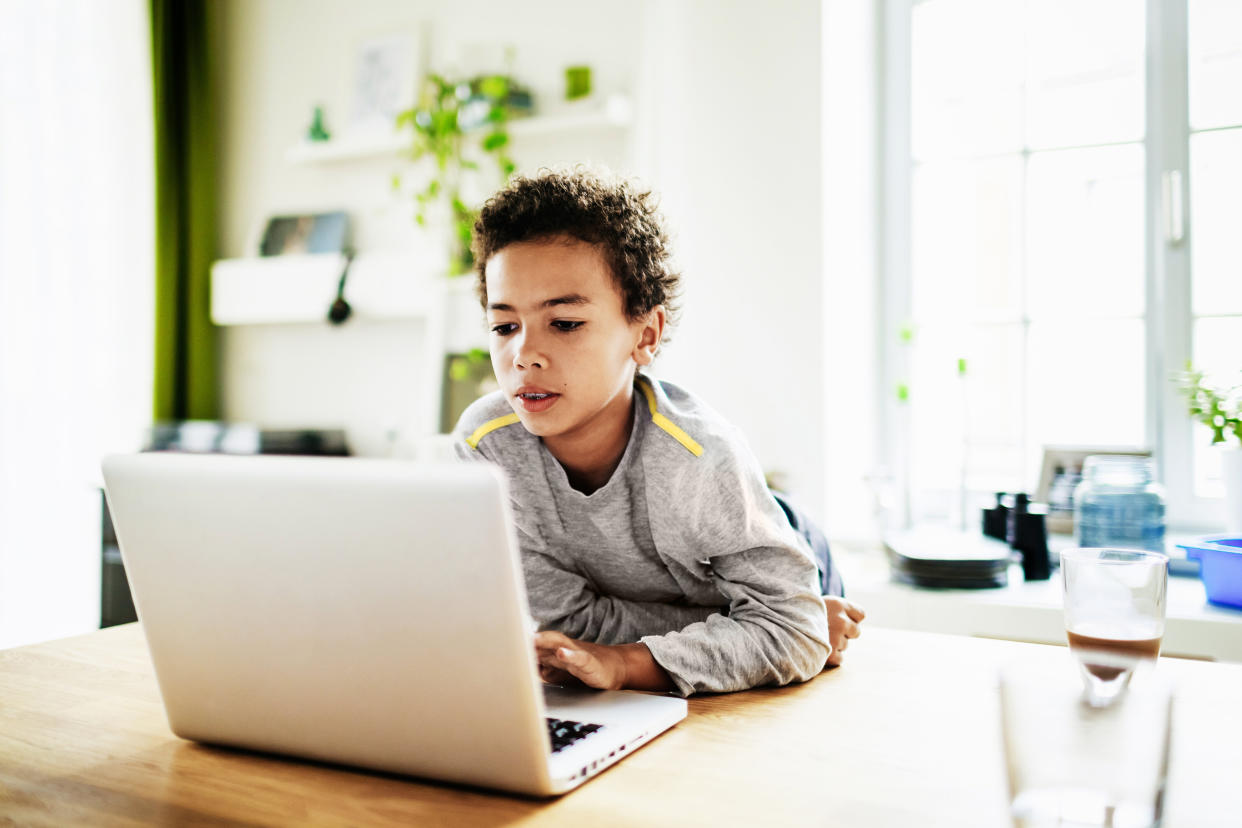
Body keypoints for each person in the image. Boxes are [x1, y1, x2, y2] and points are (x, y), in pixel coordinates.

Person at [452, 167, 864, 696]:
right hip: (718, 601)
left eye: (565, 323)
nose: (524, 355)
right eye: (504, 326)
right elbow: (570, 625)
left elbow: (791, 626)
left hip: (774, 551)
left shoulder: (699, 457)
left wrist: (630, 663)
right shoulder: (489, 448)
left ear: (645, 335)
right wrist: (738, 625)